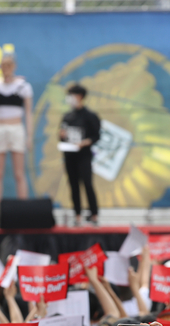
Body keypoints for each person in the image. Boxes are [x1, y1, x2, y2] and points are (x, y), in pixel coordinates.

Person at [0, 53, 33, 228]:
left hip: (17, 128)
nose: (6, 69)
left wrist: (30, 136)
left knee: (19, 173)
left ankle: (24, 213)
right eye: (3, 65)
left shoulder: (23, 87)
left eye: (9, 65)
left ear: (14, 66)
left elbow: (28, 113)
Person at [59, 85, 101, 226]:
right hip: (70, 155)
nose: (70, 98)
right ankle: (77, 215)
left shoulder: (90, 116)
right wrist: (62, 136)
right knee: (73, 185)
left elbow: (96, 136)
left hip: (84, 155)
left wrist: (84, 143)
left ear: (79, 96)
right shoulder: (67, 116)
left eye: (72, 95)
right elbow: (62, 136)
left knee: (87, 184)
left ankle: (94, 214)